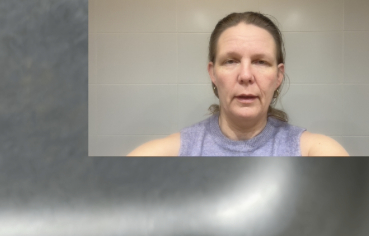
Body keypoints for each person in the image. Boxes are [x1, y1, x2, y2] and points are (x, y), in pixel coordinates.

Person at [129, 11, 350, 157]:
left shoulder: (314, 151)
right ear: (213, 73)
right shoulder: (174, 151)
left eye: (260, 62)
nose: (245, 75)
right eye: (231, 61)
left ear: (278, 76)